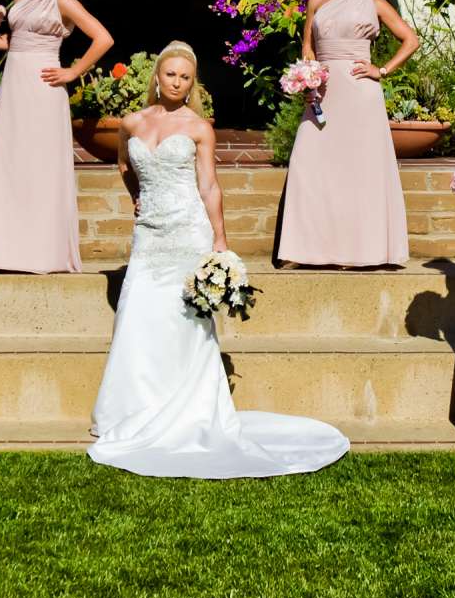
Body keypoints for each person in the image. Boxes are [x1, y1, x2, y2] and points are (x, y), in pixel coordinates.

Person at [89, 43, 348, 478]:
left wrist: (220, 240)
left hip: (189, 230)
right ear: (157, 76)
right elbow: (122, 166)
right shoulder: (131, 123)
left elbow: (209, 186)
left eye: (185, 77)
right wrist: (139, 199)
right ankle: (132, 410)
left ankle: (189, 413)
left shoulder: (198, 127)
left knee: (184, 322)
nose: (176, 82)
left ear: (193, 84)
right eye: (170, 75)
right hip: (149, 235)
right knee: (137, 318)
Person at [0, 0, 111, 273]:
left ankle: (44, 253)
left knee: (41, 167)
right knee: (9, 163)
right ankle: (4, 253)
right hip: (14, 88)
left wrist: (73, 71)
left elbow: (103, 37)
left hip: (44, 89)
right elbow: (16, 42)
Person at [275, 0, 416, 268]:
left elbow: (411, 39)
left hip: (360, 93)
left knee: (359, 169)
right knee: (308, 164)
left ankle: (359, 252)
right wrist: (308, 75)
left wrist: (381, 70)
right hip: (322, 93)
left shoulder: (374, 2)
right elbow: (308, 45)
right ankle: (305, 250)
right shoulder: (318, 1)